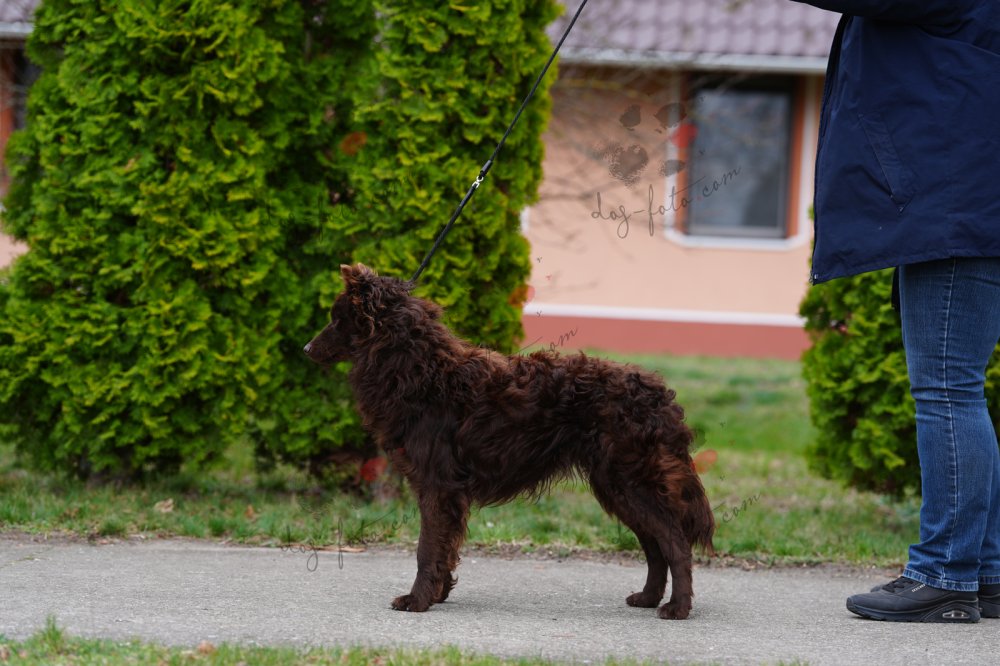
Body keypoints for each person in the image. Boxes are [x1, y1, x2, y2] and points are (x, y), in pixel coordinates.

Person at [793, 0, 1000, 622]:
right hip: (963, 201)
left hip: (957, 207)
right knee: (958, 388)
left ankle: (944, 575)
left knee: (948, 388)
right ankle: (985, 573)